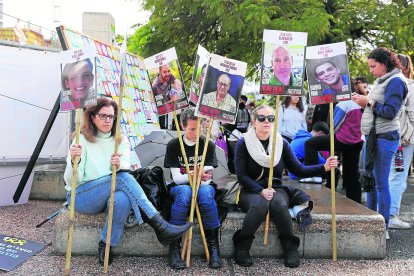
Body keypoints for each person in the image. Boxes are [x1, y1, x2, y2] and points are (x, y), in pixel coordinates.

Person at [63, 97, 191, 266]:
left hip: (110, 194)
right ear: (92, 117)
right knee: (123, 178)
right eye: (103, 116)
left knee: (122, 198)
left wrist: (116, 165)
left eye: (111, 116)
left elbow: (123, 168)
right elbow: (72, 181)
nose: (108, 120)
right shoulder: (81, 140)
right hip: (81, 196)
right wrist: (75, 161)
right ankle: (159, 225)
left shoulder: (120, 140)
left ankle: (106, 244)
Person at [233, 105, 338, 268]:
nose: (266, 121)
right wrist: (260, 190)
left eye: (271, 118)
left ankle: (290, 247)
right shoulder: (243, 143)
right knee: (260, 205)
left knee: (278, 203)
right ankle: (242, 246)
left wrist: (323, 167)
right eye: (261, 118)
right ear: (254, 121)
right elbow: (241, 176)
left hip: (276, 189)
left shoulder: (281, 143)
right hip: (250, 189)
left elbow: (299, 169)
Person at [352, 47, 408, 239]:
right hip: (375, 137)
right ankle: (373, 222)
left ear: (385, 64)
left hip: (384, 138)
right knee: (371, 181)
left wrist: (368, 102)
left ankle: (382, 227)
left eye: (373, 66)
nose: (371, 70)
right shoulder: (384, 80)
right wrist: (365, 103)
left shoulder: (396, 82)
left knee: (380, 183)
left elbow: (390, 112)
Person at [164, 107, 223, 269]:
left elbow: (206, 180)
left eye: (199, 128)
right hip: (180, 187)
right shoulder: (174, 145)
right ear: (183, 127)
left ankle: (213, 247)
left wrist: (198, 177)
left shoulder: (207, 145)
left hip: (203, 186)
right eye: (191, 129)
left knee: (205, 193)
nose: (196, 132)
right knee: (184, 193)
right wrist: (193, 174)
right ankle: (175, 247)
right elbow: (176, 179)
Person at [305, 96, 364, 203]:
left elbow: (334, 125)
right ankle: (355, 203)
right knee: (352, 174)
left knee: (310, 144)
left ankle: (313, 176)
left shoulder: (343, 103)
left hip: (342, 139)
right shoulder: (361, 102)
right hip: (357, 141)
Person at [388, 54, 414, 230]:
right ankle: (391, 214)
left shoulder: (384, 83)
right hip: (404, 137)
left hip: (387, 135)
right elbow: (412, 113)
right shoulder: (409, 85)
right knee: (398, 176)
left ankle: (384, 211)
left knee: (388, 174)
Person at [289, 121, 340, 187]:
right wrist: (332, 163)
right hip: (300, 174)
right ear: (319, 133)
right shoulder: (309, 141)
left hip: (293, 172)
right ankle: (329, 193)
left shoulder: (298, 138)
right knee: (335, 171)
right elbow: (320, 161)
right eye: (323, 138)